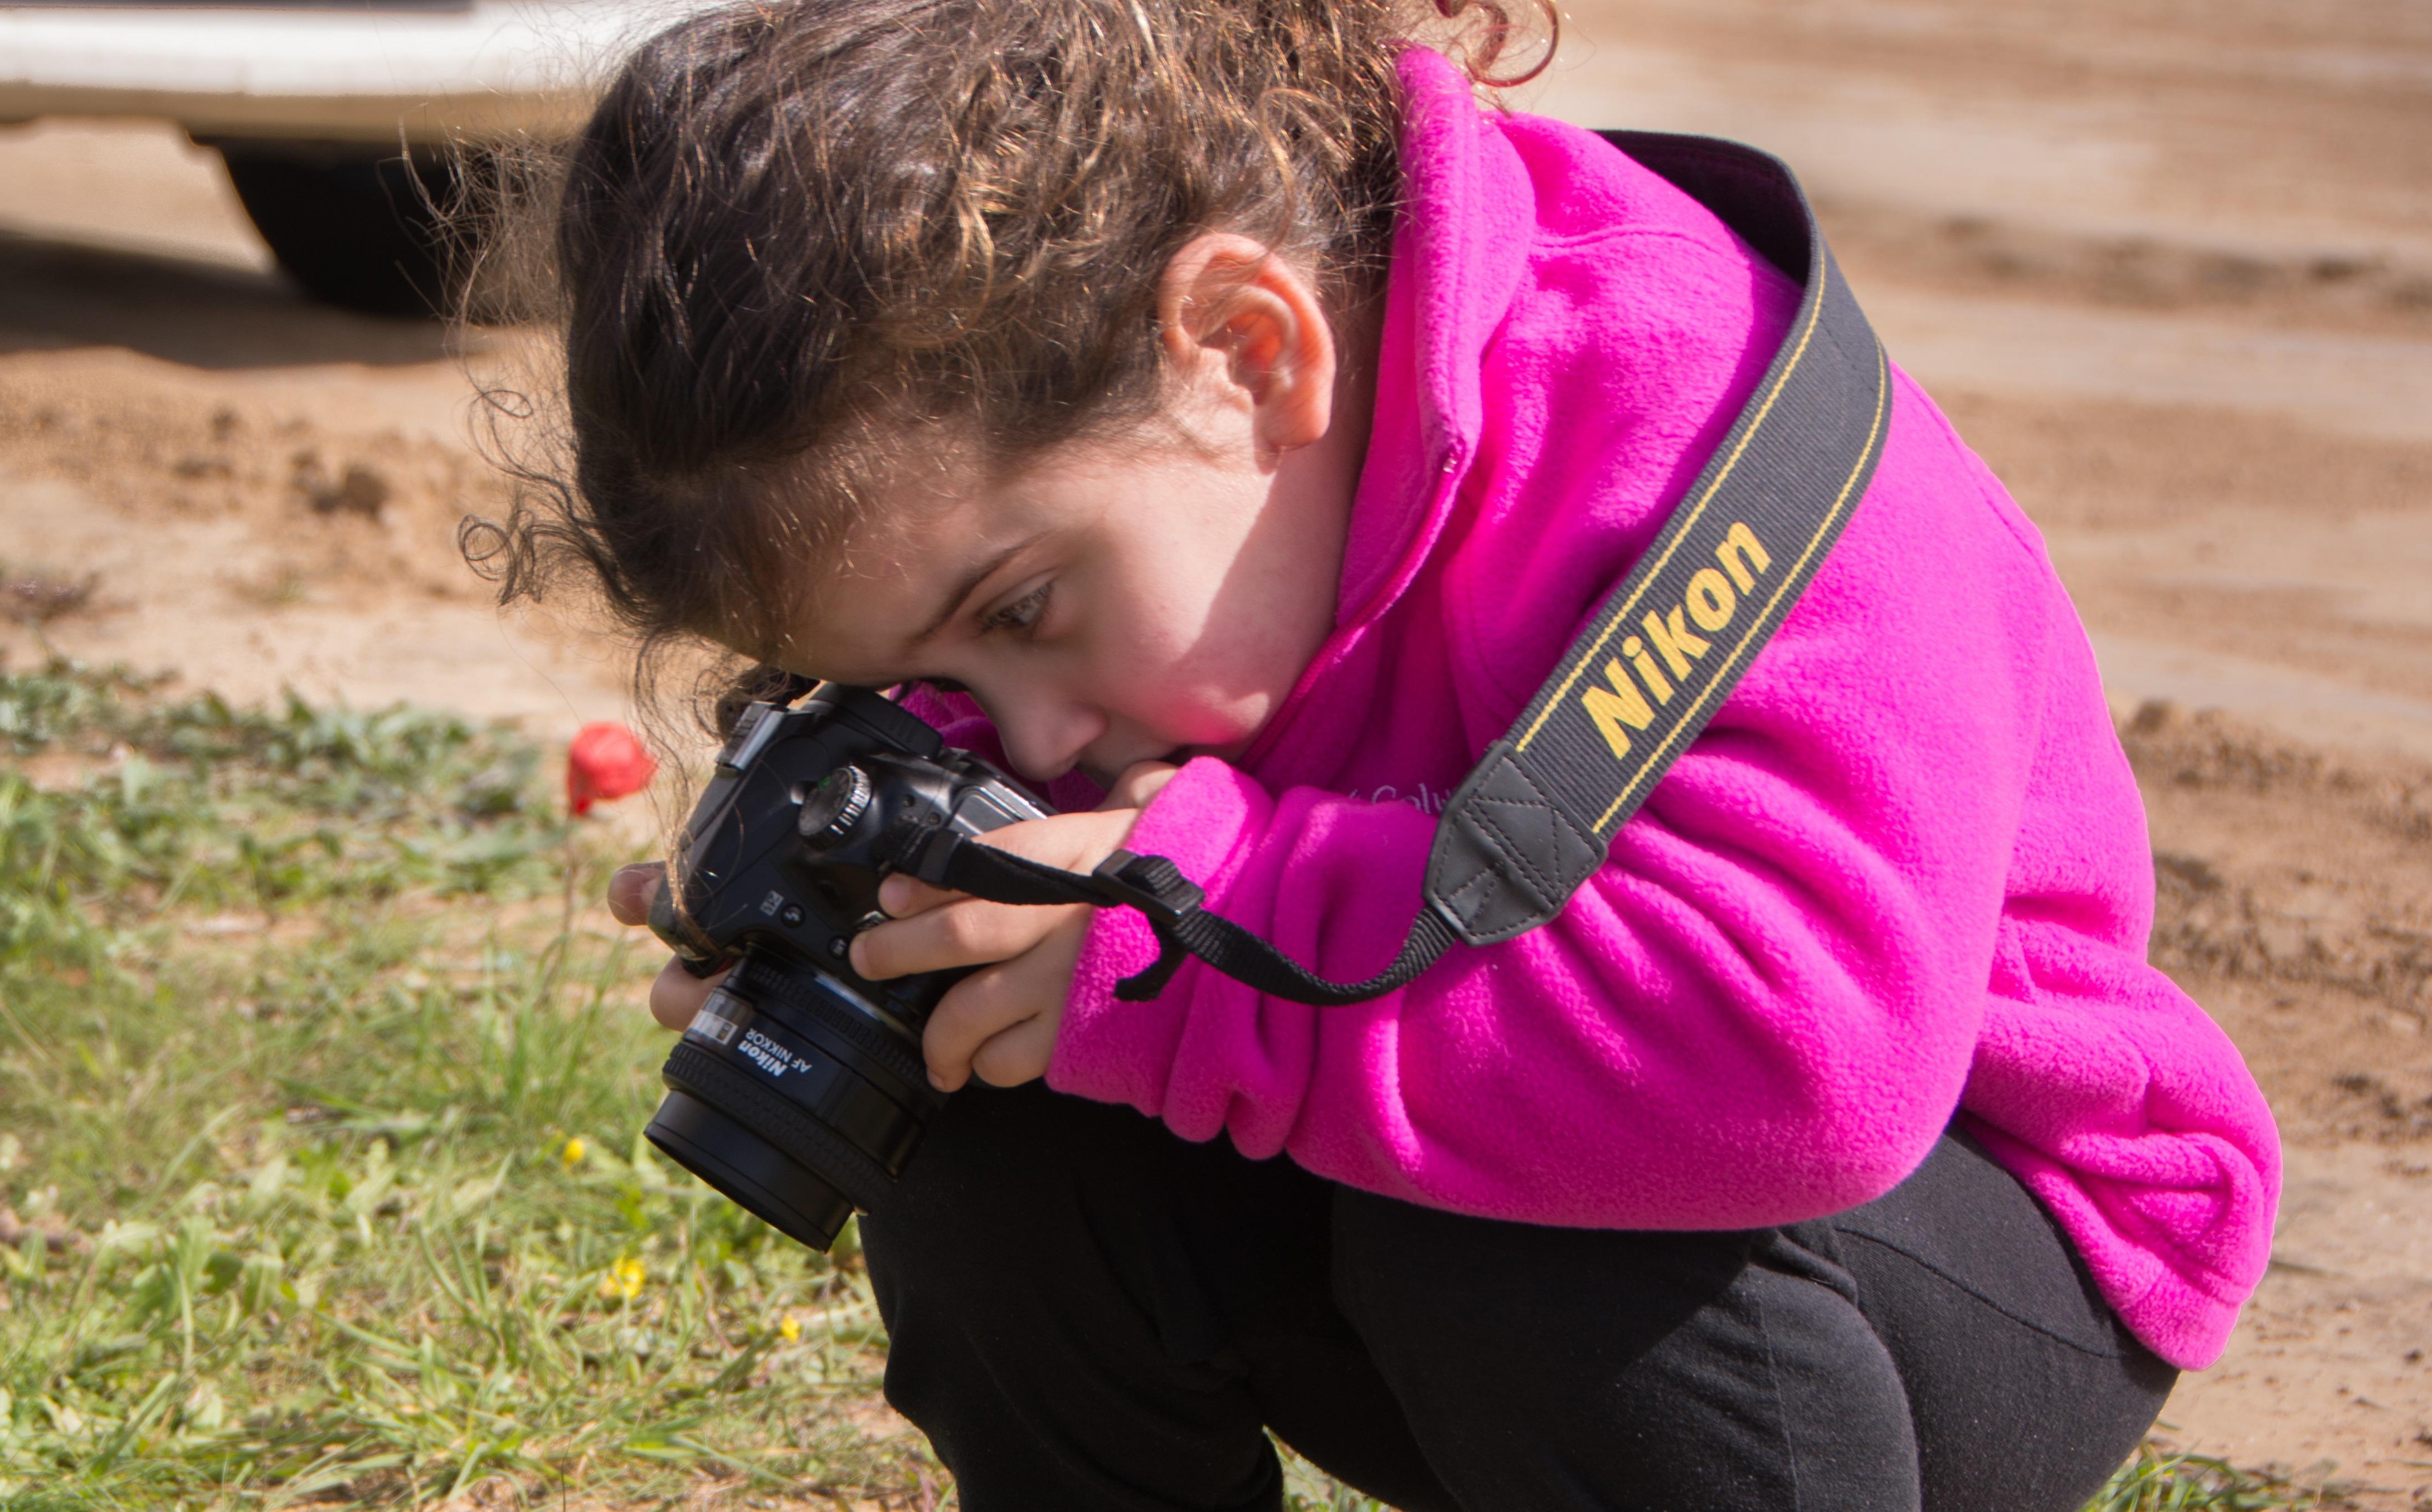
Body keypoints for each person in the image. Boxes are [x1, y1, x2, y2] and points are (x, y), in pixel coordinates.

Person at [485, 0, 2283, 1505]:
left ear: (1246, 351)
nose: (1031, 734)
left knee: (1506, 1218)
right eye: (918, 670)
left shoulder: (1676, 401)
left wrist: (1181, 953)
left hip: (1960, 1232)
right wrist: (898, 905)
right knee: (992, 1111)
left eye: (1022, 613)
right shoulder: (1144, 504)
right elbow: (1055, 849)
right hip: (1437, 1220)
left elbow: (1812, 1056)